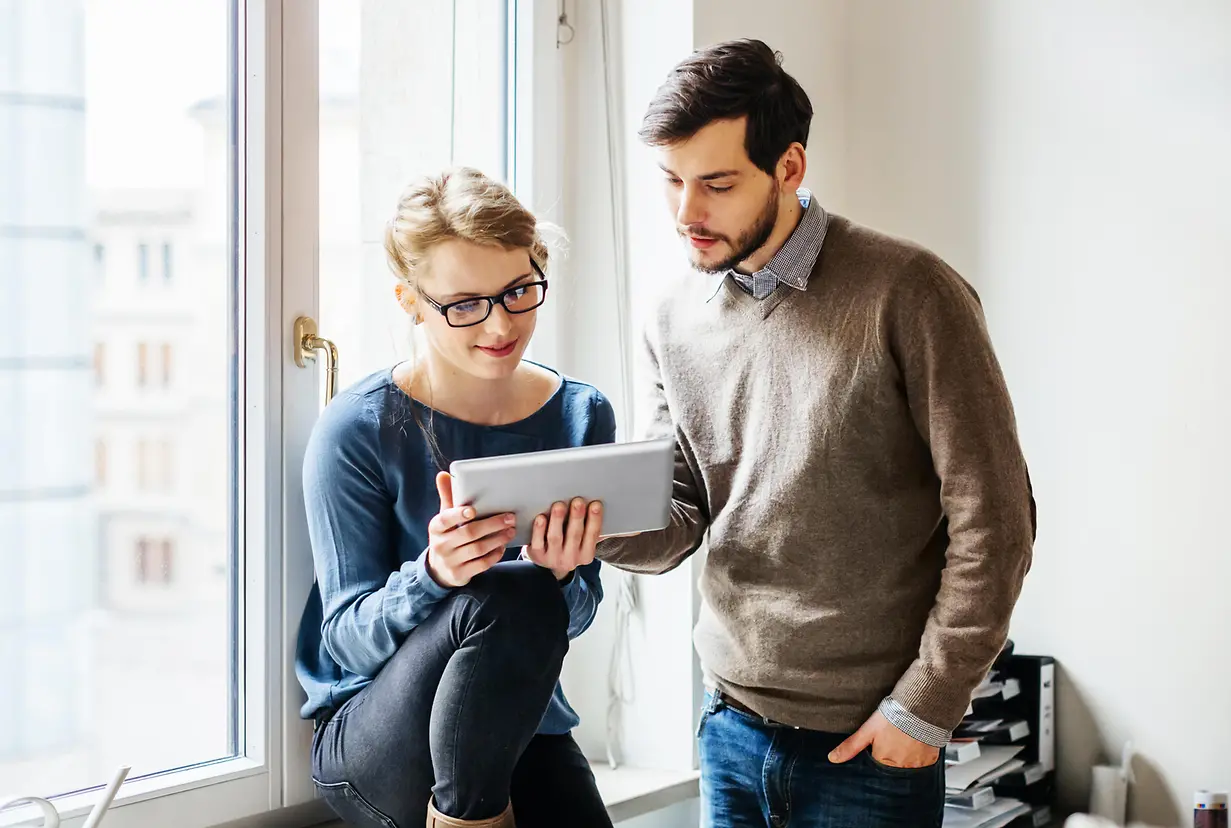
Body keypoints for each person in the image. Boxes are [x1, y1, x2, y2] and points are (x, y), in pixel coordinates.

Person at [596, 39, 1037, 828]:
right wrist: (585, 527)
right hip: (728, 729)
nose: (686, 214)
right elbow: (682, 516)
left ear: (790, 167)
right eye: (670, 181)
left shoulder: (911, 291)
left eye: (717, 184)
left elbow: (998, 519)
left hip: (869, 745)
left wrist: (926, 707)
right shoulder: (671, 318)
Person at [295, 167, 616, 828]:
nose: (500, 325)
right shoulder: (358, 428)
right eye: (465, 304)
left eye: (518, 290)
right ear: (411, 302)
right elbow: (347, 644)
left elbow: (571, 623)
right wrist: (434, 574)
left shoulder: (581, 416)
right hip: (377, 729)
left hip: (519, 725)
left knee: (525, 591)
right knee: (506, 591)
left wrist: (560, 576)